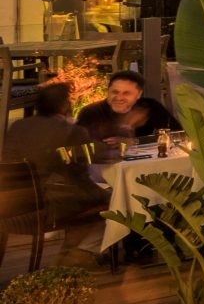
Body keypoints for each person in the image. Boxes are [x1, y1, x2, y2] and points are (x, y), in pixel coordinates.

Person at [6, 82, 108, 225]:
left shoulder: (18, 126)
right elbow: (97, 155)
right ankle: (84, 241)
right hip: (46, 205)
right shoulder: (69, 130)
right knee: (113, 198)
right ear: (64, 105)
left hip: (11, 203)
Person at [74, 70, 178, 144]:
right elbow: (80, 146)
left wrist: (135, 141)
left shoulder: (149, 106)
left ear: (138, 94)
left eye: (126, 93)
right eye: (115, 92)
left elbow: (177, 135)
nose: (119, 98)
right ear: (108, 91)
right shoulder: (91, 112)